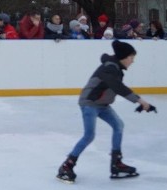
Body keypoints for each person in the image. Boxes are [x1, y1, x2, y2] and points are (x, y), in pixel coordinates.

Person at [56, 40, 156, 183]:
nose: (133, 61)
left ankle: (116, 163)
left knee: (118, 125)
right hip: (89, 103)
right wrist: (140, 100)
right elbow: (117, 87)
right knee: (89, 135)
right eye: (131, 58)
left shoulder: (116, 68)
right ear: (124, 57)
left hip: (102, 105)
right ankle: (66, 166)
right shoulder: (109, 68)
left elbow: (117, 86)